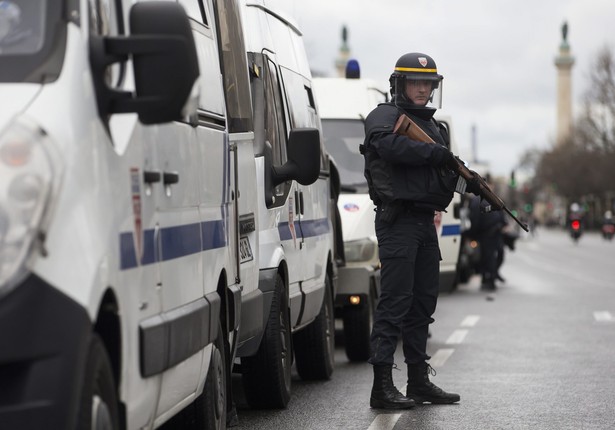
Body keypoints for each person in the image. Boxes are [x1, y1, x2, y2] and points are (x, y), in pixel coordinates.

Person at [361, 52, 480, 409]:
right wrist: (437, 156)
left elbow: (441, 173)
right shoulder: (384, 116)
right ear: (399, 84)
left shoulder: (436, 128)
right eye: (415, 82)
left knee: (423, 303)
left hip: (426, 223)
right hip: (397, 222)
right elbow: (388, 146)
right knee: (394, 302)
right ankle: (382, 386)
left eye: (427, 83)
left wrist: (469, 184)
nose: (421, 89)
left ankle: (418, 381)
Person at [468, 185, 508, 290]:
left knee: (487, 257)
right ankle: (490, 277)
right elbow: (502, 215)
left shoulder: (476, 200)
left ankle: (489, 278)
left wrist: (473, 234)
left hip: (487, 233)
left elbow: (474, 219)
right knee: (495, 256)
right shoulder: (493, 197)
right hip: (495, 232)